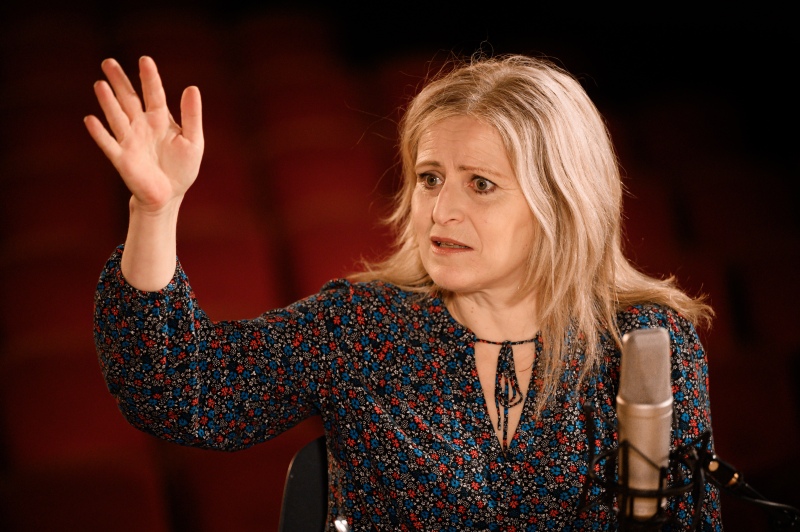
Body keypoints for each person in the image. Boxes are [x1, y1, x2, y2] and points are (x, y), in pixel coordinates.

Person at [87, 53, 722, 530]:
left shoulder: (647, 345)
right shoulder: (360, 327)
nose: (440, 211)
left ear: (561, 201)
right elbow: (176, 389)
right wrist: (155, 211)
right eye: (429, 178)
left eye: (480, 184)